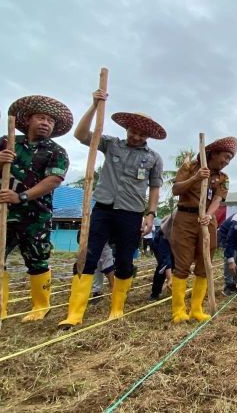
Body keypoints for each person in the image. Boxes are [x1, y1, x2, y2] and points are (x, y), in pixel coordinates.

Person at [0, 95, 71, 327]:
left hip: (35, 215)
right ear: (28, 120)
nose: (45, 123)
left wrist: (21, 196)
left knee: (37, 259)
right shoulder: (6, 143)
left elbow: (53, 180)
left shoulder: (56, 151)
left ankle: (41, 306)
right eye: (41, 118)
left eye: (50, 121)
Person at [59, 92, 165, 328]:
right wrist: (95, 105)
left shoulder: (154, 158)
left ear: (148, 136)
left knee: (125, 260)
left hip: (131, 213)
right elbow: (81, 135)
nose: (136, 136)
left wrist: (150, 214)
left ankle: (117, 308)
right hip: (103, 209)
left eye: (141, 133)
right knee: (88, 255)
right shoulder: (110, 144)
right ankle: (75, 313)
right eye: (132, 131)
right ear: (126, 128)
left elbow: (155, 188)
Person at [170, 136, 237, 323]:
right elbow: (176, 189)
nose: (226, 162)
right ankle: (179, 311)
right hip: (185, 218)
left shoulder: (223, 178)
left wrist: (209, 214)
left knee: (205, 263)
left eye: (229, 159)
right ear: (213, 154)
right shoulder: (190, 167)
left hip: (207, 221)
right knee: (182, 264)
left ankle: (197, 309)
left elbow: (218, 199)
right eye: (224, 157)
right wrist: (196, 178)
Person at [150, 213, 175, 300]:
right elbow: (165, 258)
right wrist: (169, 278)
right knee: (162, 267)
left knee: (175, 265)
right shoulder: (165, 233)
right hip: (159, 244)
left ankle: (173, 287)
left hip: (174, 244)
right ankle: (155, 293)